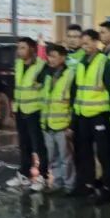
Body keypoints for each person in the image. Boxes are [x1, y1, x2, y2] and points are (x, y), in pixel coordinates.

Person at [73, 28, 110, 202]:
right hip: (83, 115)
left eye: (87, 43)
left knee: (104, 154)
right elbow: (78, 91)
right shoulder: (81, 63)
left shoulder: (105, 63)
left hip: (100, 115)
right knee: (85, 152)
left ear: (95, 42)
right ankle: (88, 184)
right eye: (82, 44)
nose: (84, 46)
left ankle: (107, 187)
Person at [7, 37, 48, 192]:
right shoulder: (18, 64)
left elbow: (44, 88)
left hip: (35, 111)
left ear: (31, 49)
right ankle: (24, 174)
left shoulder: (40, 66)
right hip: (20, 110)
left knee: (39, 146)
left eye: (23, 48)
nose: (19, 51)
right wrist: (14, 108)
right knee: (24, 145)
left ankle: (42, 176)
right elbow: (17, 87)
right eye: (18, 48)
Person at [41, 44, 76, 193]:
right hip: (48, 124)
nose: (51, 59)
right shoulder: (48, 75)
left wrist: (71, 125)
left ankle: (69, 185)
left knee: (66, 158)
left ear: (63, 57)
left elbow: (73, 102)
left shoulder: (70, 75)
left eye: (54, 56)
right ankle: (58, 183)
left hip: (63, 125)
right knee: (53, 157)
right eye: (49, 56)